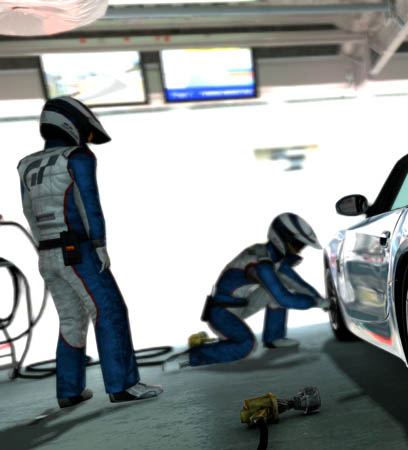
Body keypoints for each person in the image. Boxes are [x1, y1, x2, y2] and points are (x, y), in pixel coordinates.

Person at [17, 96, 163, 408]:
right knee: (110, 311)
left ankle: (69, 391)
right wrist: (99, 244)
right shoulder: (78, 157)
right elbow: (89, 205)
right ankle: (123, 385)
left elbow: (29, 213)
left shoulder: (25, 164)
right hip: (78, 250)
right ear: (71, 124)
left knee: (71, 319)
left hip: (47, 254)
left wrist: (45, 247)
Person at [162, 213, 327, 371]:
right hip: (221, 312)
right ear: (281, 238)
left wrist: (321, 300)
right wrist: (316, 302)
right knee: (247, 345)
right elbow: (283, 298)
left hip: (238, 305)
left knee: (274, 292)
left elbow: (295, 282)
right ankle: (188, 357)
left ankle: (273, 338)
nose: (298, 252)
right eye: (297, 245)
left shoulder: (270, 256)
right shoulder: (261, 262)